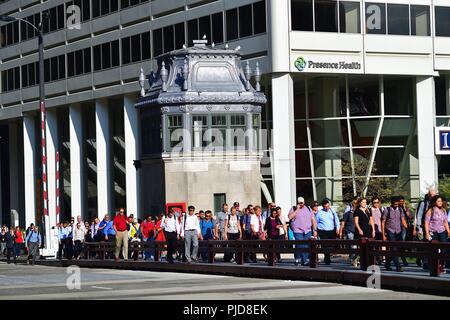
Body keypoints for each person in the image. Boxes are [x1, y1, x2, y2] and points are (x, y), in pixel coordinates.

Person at [424, 195, 450, 274]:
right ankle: (433, 266)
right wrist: (427, 233)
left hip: (442, 231)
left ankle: (442, 265)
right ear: (435, 202)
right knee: (434, 249)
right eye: (438, 201)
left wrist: (448, 231)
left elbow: (445, 222)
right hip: (433, 231)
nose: (440, 203)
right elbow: (426, 223)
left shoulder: (443, 210)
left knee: (444, 249)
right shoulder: (430, 210)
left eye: (441, 201)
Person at [289, 197, 317, 266]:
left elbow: (313, 219)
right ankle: (302, 260)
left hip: (307, 230)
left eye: (302, 203)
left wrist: (315, 229)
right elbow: (290, 217)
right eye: (299, 203)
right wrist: (297, 209)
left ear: (304, 202)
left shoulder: (308, 208)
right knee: (300, 245)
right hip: (297, 230)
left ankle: (303, 260)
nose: (301, 204)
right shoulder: (293, 208)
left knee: (306, 245)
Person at [382, 196, 408, 272]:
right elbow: (383, 222)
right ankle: (398, 266)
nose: (396, 205)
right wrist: (383, 234)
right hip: (390, 231)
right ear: (392, 203)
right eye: (395, 204)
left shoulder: (400, 209)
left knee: (398, 248)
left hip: (398, 231)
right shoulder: (387, 210)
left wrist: (407, 227)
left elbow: (402, 219)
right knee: (393, 248)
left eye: (397, 204)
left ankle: (387, 263)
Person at [315, 199, 340, 265]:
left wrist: (338, 228)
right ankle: (327, 259)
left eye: (328, 206)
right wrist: (315, 231)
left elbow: (337, 220)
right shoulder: (319, 213)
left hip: (331, 231)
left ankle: (328, 257)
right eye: (325, 206)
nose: (327, 208)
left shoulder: (332, 211)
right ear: (323, 206)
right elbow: (316, 222)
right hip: (323, 231)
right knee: (325, 246)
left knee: (330, 245)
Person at [339, 198, 358, 266]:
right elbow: (343, 223)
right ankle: (353, 260)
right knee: (353, 246)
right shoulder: (348, 213)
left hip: (357, 232)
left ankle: (354, 258)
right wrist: (340, 231)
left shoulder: (358, 213)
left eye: (356, 205)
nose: (355, 206)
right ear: (352, 205)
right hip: (350, 231)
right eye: (354, 205)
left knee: (355, 246)